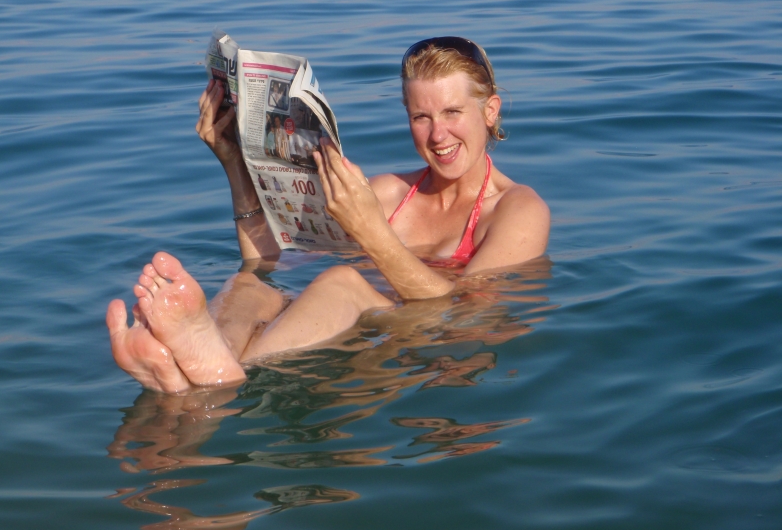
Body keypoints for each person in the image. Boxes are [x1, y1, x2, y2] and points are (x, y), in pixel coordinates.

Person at [106, 37, 550, 393]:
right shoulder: (388, 192)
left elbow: (461, 311)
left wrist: (372, 233)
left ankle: (200, 370)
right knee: (251, 285)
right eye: (421, 116)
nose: (438, 135)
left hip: (415, 350)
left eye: (453, 112)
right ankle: (192, 366)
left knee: (344, 281)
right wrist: (234, 164)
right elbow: (268, 262)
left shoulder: (518, 209)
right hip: (336, 328)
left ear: (489, 111)